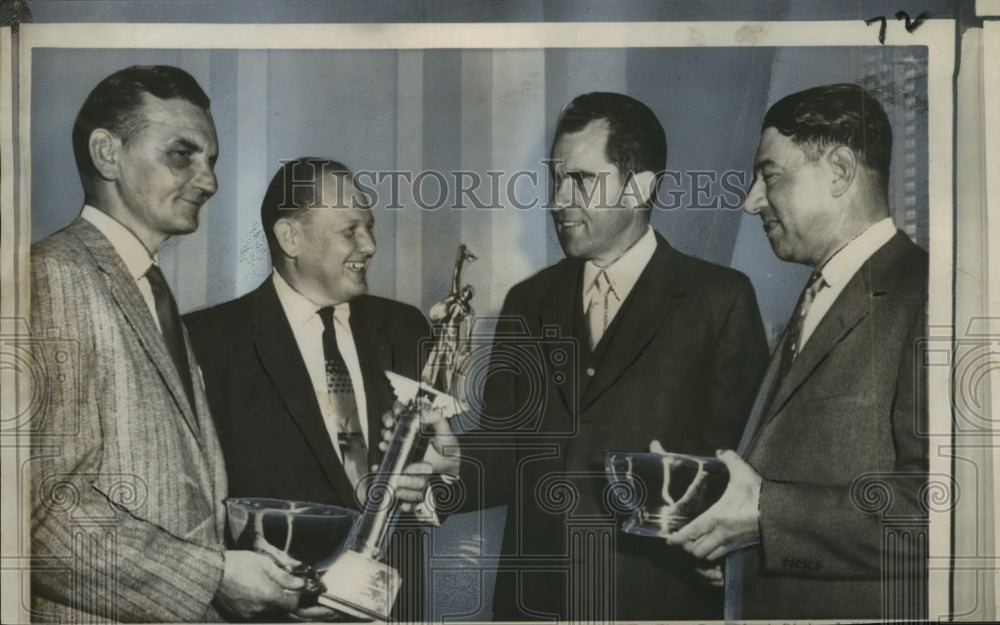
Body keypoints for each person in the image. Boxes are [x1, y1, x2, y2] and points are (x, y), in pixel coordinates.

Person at [471, 92, 770, 621]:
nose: (558, 199)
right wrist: (438, 464)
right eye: (555, 178)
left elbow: (739, 474)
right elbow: (500, 458)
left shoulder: (719, 300)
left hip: (656, 605)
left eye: (581, 180)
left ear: (640, 187)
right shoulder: (527, 301)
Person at [30, 65, 305, 622]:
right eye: (183, 154)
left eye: (212, 160)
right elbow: (40, 520)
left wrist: (245, 562)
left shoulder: (147, 288)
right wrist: (215, 577)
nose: (209, 181)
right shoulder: (54, 276)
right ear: (107, 154)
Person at [665, 83, 929, 620]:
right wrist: (741, 546)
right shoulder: (819, 297)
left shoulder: (930, 295)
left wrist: (765, 514)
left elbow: (940, 512)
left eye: (770, 175)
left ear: (839, 170)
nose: (750, 201)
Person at [185, 158, 459, 621]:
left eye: (370, 227)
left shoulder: (405, 327)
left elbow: (443, 475)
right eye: (350, 230)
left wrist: (435, 486)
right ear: (290, 237)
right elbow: (190, 508)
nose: (369, 245)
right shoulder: (205, 341)